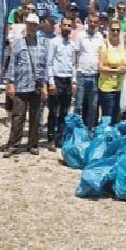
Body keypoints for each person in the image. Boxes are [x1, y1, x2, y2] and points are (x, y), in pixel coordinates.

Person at [2, 13, 49, 157]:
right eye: (30, 24)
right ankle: (13, 145)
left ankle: (33, 145)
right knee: (18, 116)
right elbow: (12, 66)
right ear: (26, 25)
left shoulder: (42, 44)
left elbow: (45, 66)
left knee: (35, 117)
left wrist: (45, 85)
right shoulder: (18, 43)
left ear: (38, 26)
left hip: (36, 86)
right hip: (21, 85)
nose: (32, 27)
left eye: (34, 24)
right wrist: (10, 84)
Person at [46, 17, 77, 151]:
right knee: (53, 110)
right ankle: (51, 138)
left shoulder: (72, 45)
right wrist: (51, 81)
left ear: (71, 28)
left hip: (67, 80)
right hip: (56, 79)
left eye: (69, 26)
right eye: (64, 25)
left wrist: (74, 81)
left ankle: (60, 139)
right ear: (60, 26)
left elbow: (74, 64)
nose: (66, 27)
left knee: (65, 111)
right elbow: (49, 62)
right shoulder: (54, 42)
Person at [74, 14, 103, 128]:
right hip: (82, 75)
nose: (92, 24)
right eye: (90, 21)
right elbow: (76, 55)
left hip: (95, 76)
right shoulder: (80, 36)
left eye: (95, 22)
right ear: (87, 22)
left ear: (98, 23)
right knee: (78, 106)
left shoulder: (100, 37)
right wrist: (75, 75)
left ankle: (90, 131)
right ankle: (76, 131)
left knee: (93, 106)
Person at [97, 19, 126, 122]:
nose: (115, 32)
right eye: (113, 30)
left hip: (119, 88)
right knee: (107, 119)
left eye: (117, 30)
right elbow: (100, 67)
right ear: (109, 30)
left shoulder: (122, 46)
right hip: (107, 88)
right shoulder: (105, 45)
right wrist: (116, 71)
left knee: (116, 118)